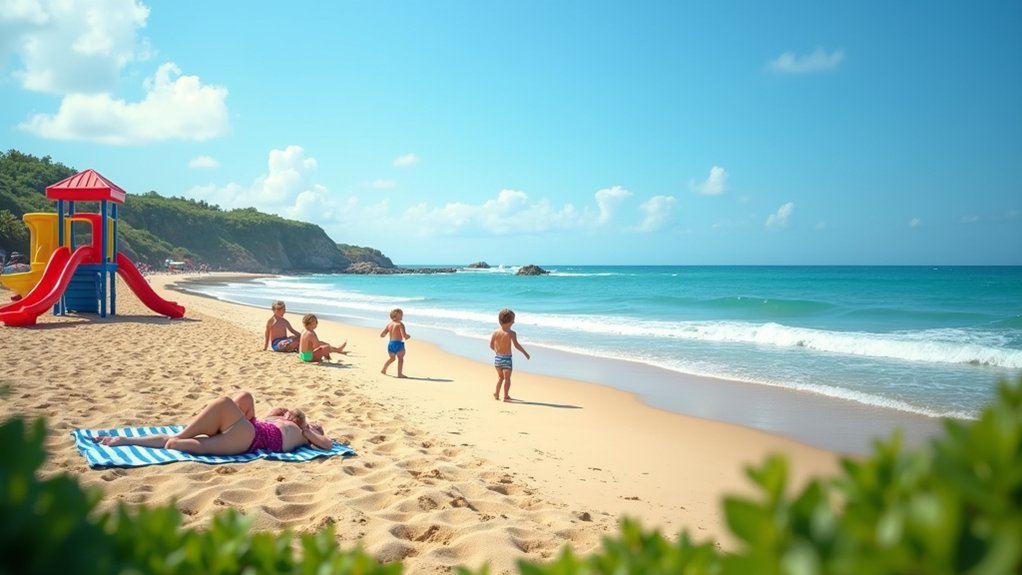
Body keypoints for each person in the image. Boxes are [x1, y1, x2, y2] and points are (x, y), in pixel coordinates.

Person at [92, 390, 334, 454]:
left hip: (251, 439)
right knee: (244, 397)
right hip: (251, 429)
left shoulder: (306, 432)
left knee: (179, 441)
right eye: (291, 414)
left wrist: (307, 428)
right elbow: (263, 416)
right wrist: (280, 413)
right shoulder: (280, 419)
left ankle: (129, 440)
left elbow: (327, 445)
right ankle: (125, 440)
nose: (291, 416)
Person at [489, 308, 530, 402]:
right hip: (507, 359)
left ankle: (496, 394)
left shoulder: (495, 332)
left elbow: (491, 345)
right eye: (513, 320)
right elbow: (516, 345)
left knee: (500, 378)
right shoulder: (511, 333)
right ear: (510, 322)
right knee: (507, 379)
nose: (514, 321)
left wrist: (497, 351)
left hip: (498, 359)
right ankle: (506, 396)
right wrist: (525, 353)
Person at [380, 308, 411, 377]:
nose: (402, 316)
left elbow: (382, 335)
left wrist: (385, 334)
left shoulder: (389, 324)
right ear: (397, 316)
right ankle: (399, 374)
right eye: (401, 315)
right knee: (400, 359)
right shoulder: (400, 324)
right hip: (399, 344)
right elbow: (404, 336)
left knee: (392, 358)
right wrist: (408, 336)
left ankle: (384, 369)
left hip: (391, 344)